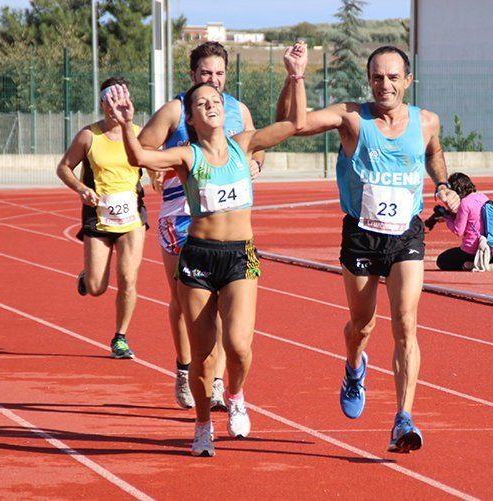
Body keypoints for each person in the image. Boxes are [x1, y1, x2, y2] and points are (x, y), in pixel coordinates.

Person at [105, 42, 308, 457]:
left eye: (216, 98)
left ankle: (235, 396)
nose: (211, 101)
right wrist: (127, 124)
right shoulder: (185, 153)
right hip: (197, 254)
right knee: (202, 355)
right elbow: (141, 154)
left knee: (238, 346)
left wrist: (296, 75)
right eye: (202, 100)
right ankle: (202, 425)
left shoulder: (244, 141)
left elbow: (294, 124)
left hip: (239, 255)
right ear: (192, 118)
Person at [276, 46, 460, 453]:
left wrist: (442, 183)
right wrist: (297, 77)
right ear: (368, 79)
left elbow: (434, 152)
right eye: (378, 77)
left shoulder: (427, 121)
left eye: (393, 77)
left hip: (406, 235)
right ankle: (354, 367)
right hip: (361, 235)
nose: (385, 85)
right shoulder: (352, 118)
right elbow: (293, 125)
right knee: (361, 326)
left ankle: (403, 418)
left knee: (406, 323)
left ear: (408, 81)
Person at [138, 42, 263, 412]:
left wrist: (258, 164)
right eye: (206, 73)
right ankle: (184, 366)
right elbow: (144, 146)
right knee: (183, 299)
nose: (214, 80)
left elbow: (256, 145)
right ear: (192, 75)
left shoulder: (237, 110)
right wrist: (153, 170)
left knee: (226, 300)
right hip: (180, 212)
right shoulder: (178, 109)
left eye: (220, 73)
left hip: (224, 216)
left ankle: (219, 381)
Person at [55, 76, 147, 360]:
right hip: (99, 216)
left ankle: (120, 337)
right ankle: (88, 276)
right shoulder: (88, 136)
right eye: (109, 101)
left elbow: (152, 163)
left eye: (120, 101)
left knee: (128, 280)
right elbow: (64, 168)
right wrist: (82, 189)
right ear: (102, 103)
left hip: (132, 217)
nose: (114, 108)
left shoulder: (139, 134)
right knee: (96, 287)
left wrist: (157, 175)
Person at [430, 172, 493, 272]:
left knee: (442, 260)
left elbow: (458, 231)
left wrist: (446, 217)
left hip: (470, 250)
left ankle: (471, 264)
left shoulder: (464, 203)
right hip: (486, 248)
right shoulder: (482, 197)